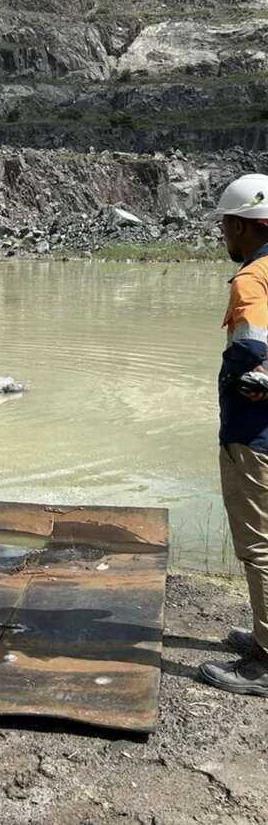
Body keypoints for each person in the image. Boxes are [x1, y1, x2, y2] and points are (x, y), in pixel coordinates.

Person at [200, 174, 268, 696]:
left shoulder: (251, 280)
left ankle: (265, 662)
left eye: (226, 225)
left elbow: (251, 354)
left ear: (245, 226)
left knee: (259, 546)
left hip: (254, 434)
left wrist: (253, 376)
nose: (224, 234)